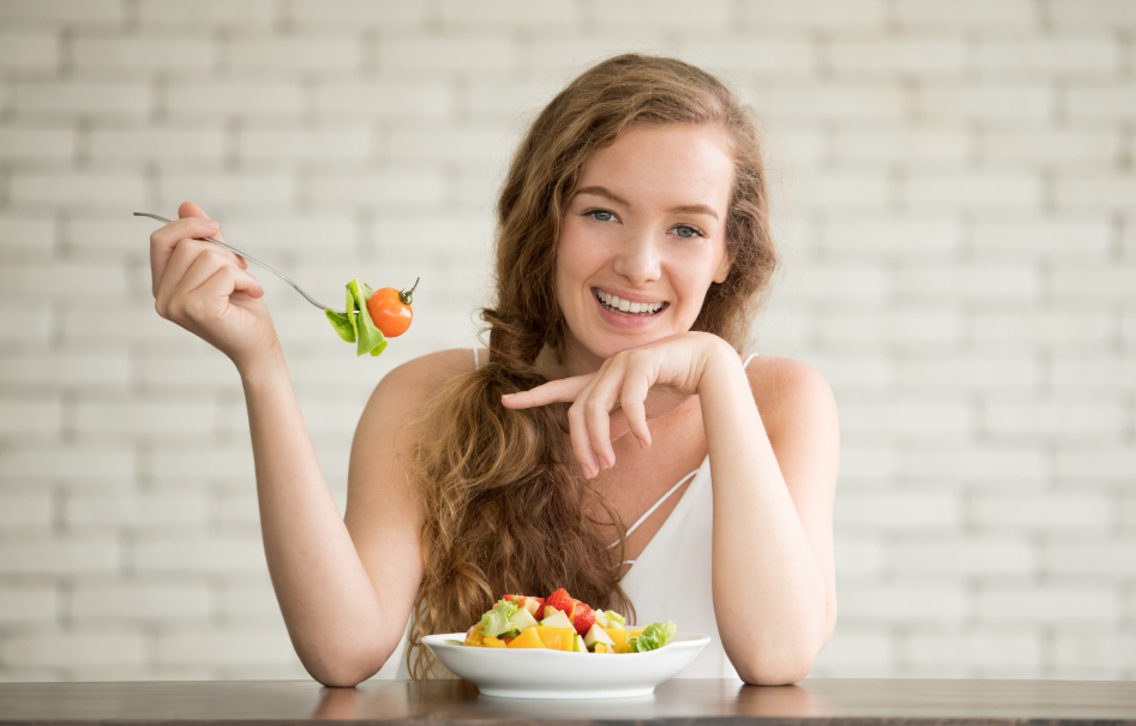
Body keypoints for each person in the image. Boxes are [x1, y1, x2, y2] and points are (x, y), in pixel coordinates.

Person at [147, 53, 839, 686]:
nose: (640, 264)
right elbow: (341, 647)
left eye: (686, 228)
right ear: (546, 222)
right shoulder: (429, 396)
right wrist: (260, 363)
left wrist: (717, 372)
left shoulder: (781, 401)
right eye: (602, 212)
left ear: (728, 252)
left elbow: (778, 656)